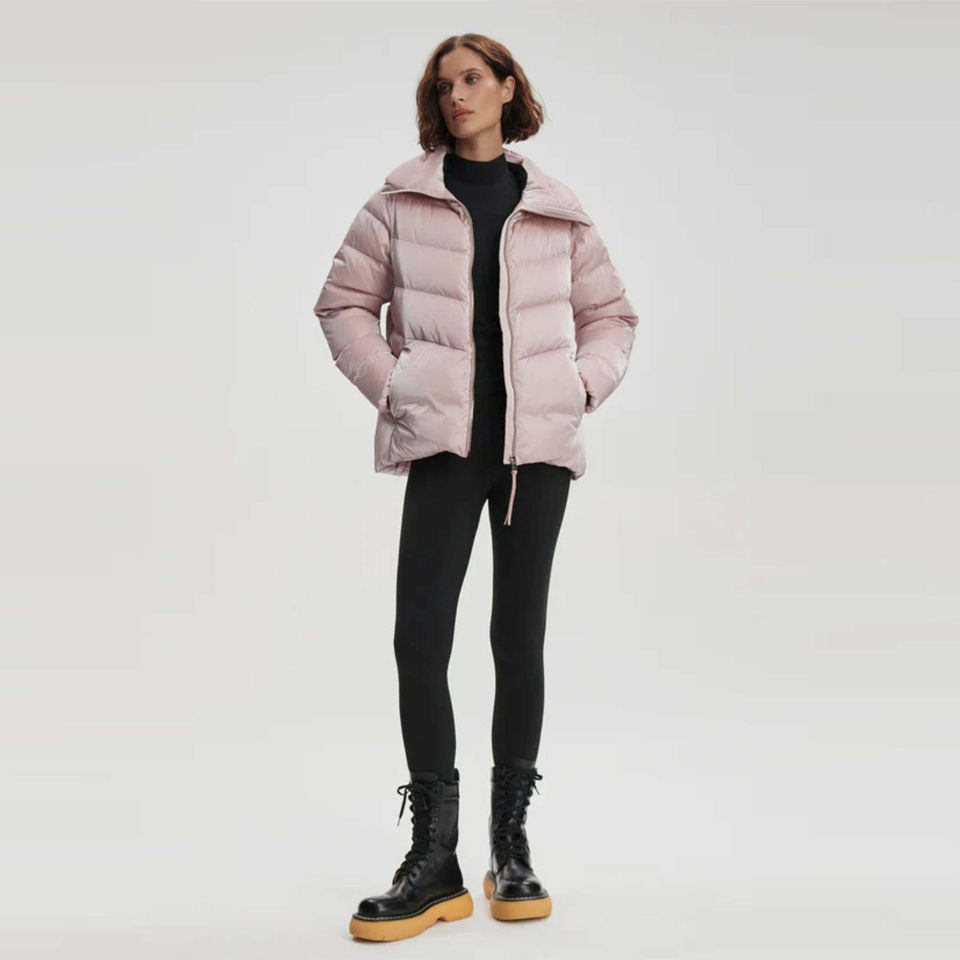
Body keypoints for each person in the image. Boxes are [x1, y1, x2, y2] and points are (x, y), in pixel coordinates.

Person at [313, 33, 638, 942]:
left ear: (505, 89)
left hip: (536, 455)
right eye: (442, 84)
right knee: (420, 639)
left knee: (516, 638)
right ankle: (435, 859)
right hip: (447, 451)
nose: (456, 95)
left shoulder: (556, 209)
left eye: (471, 79)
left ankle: (511, 846)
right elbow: (342, 304)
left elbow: (612, 316)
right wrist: (395, 385)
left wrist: (578, 387)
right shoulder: (400, 200)